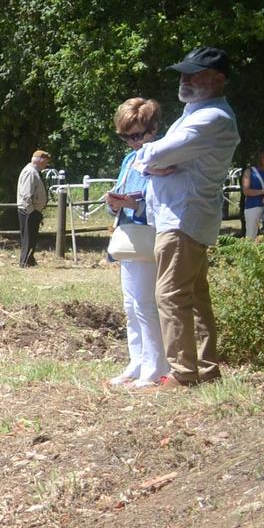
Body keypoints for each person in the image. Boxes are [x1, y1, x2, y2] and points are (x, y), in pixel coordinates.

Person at [136, 46, 240, 387]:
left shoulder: (211, 118)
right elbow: (157, 158)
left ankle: (183, 374)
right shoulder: (196, 112)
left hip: (182, 219)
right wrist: (155, 162)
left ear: (218, 78)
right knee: (194, 298)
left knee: (170, 295)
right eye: (183, 72)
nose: (184, 79)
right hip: (183, 217)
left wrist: (153, 160)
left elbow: (155, 152)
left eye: (193, 74)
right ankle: (206, 370)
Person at [101, 98, 169, 388]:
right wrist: (115, 204)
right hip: (127, 235)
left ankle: (155, 366)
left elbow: (161, 200)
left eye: (137, 135)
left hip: (149, 234)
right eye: (125, 136)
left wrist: (134, 205)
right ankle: (138, 361)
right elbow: (119, 194)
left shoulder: (162, 155)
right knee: (131, 305)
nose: (131, 142)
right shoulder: (129, 159)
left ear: (153, 129)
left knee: (145, 304)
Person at [16, 150, 51, 266]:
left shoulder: (33, 171)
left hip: (31, 210)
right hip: (28, 211)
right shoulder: (30, 172)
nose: (46, 165)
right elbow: (26, 194)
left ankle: (29, 260)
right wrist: (31, 211)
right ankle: (25, 261)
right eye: (45, 162)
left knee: (31, 237)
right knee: (28, 238)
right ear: (40, 161)